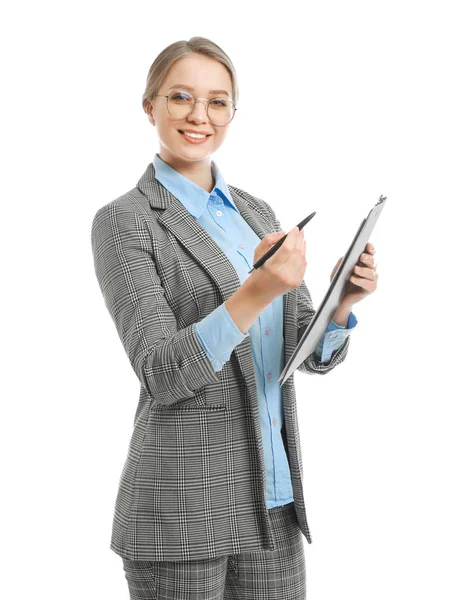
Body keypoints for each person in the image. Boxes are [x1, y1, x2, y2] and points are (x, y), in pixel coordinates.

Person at [91, 36, 378, 600]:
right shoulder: (123, 222)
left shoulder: (256, 212)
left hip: (272, 506)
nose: (200, 116)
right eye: (180, 97)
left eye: (217, 102)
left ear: (232, 113)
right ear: (149, 107)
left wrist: (340, 303)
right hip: (180, 513)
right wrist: (256, 291)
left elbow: (299, 356)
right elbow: (161, 372)